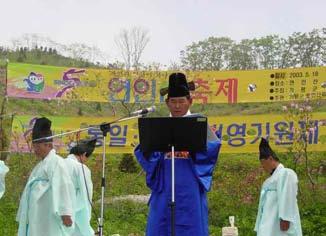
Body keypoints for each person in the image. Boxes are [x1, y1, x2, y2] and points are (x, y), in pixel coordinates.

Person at [134, 72, 221, 236]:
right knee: (161, 227)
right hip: (164, 188)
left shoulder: (201, 125)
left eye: (181, 101)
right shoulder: (157, 126)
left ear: (190, 101)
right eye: (173, 102)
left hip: (190, 188)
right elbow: (148, 157)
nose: (177, 106)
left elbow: (211, 152)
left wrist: (197, 146)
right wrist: (147, 147)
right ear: (167, 103)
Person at [16, 117, 74, 236]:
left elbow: (63, 186)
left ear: (48, 145)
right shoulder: (39, 166)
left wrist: (65, 212)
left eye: (37, 147)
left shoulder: (57, 162)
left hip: (48, 211)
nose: (35, 150)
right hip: (37, 211)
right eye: (34, 146)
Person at [254, 138, 302, 236]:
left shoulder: (286, 173)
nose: (262, 166)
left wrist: (285, 218)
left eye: (263, 163)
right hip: (267, 221)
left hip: (278, 221)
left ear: (270, 159)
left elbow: (287, 196)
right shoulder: (268, 181)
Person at [65, 138, 97, 236]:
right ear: (83, 154)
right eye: (87, 157)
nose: (86, 161)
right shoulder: (81, 169)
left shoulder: (58, 164)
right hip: (72, 212)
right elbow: (85, 197)